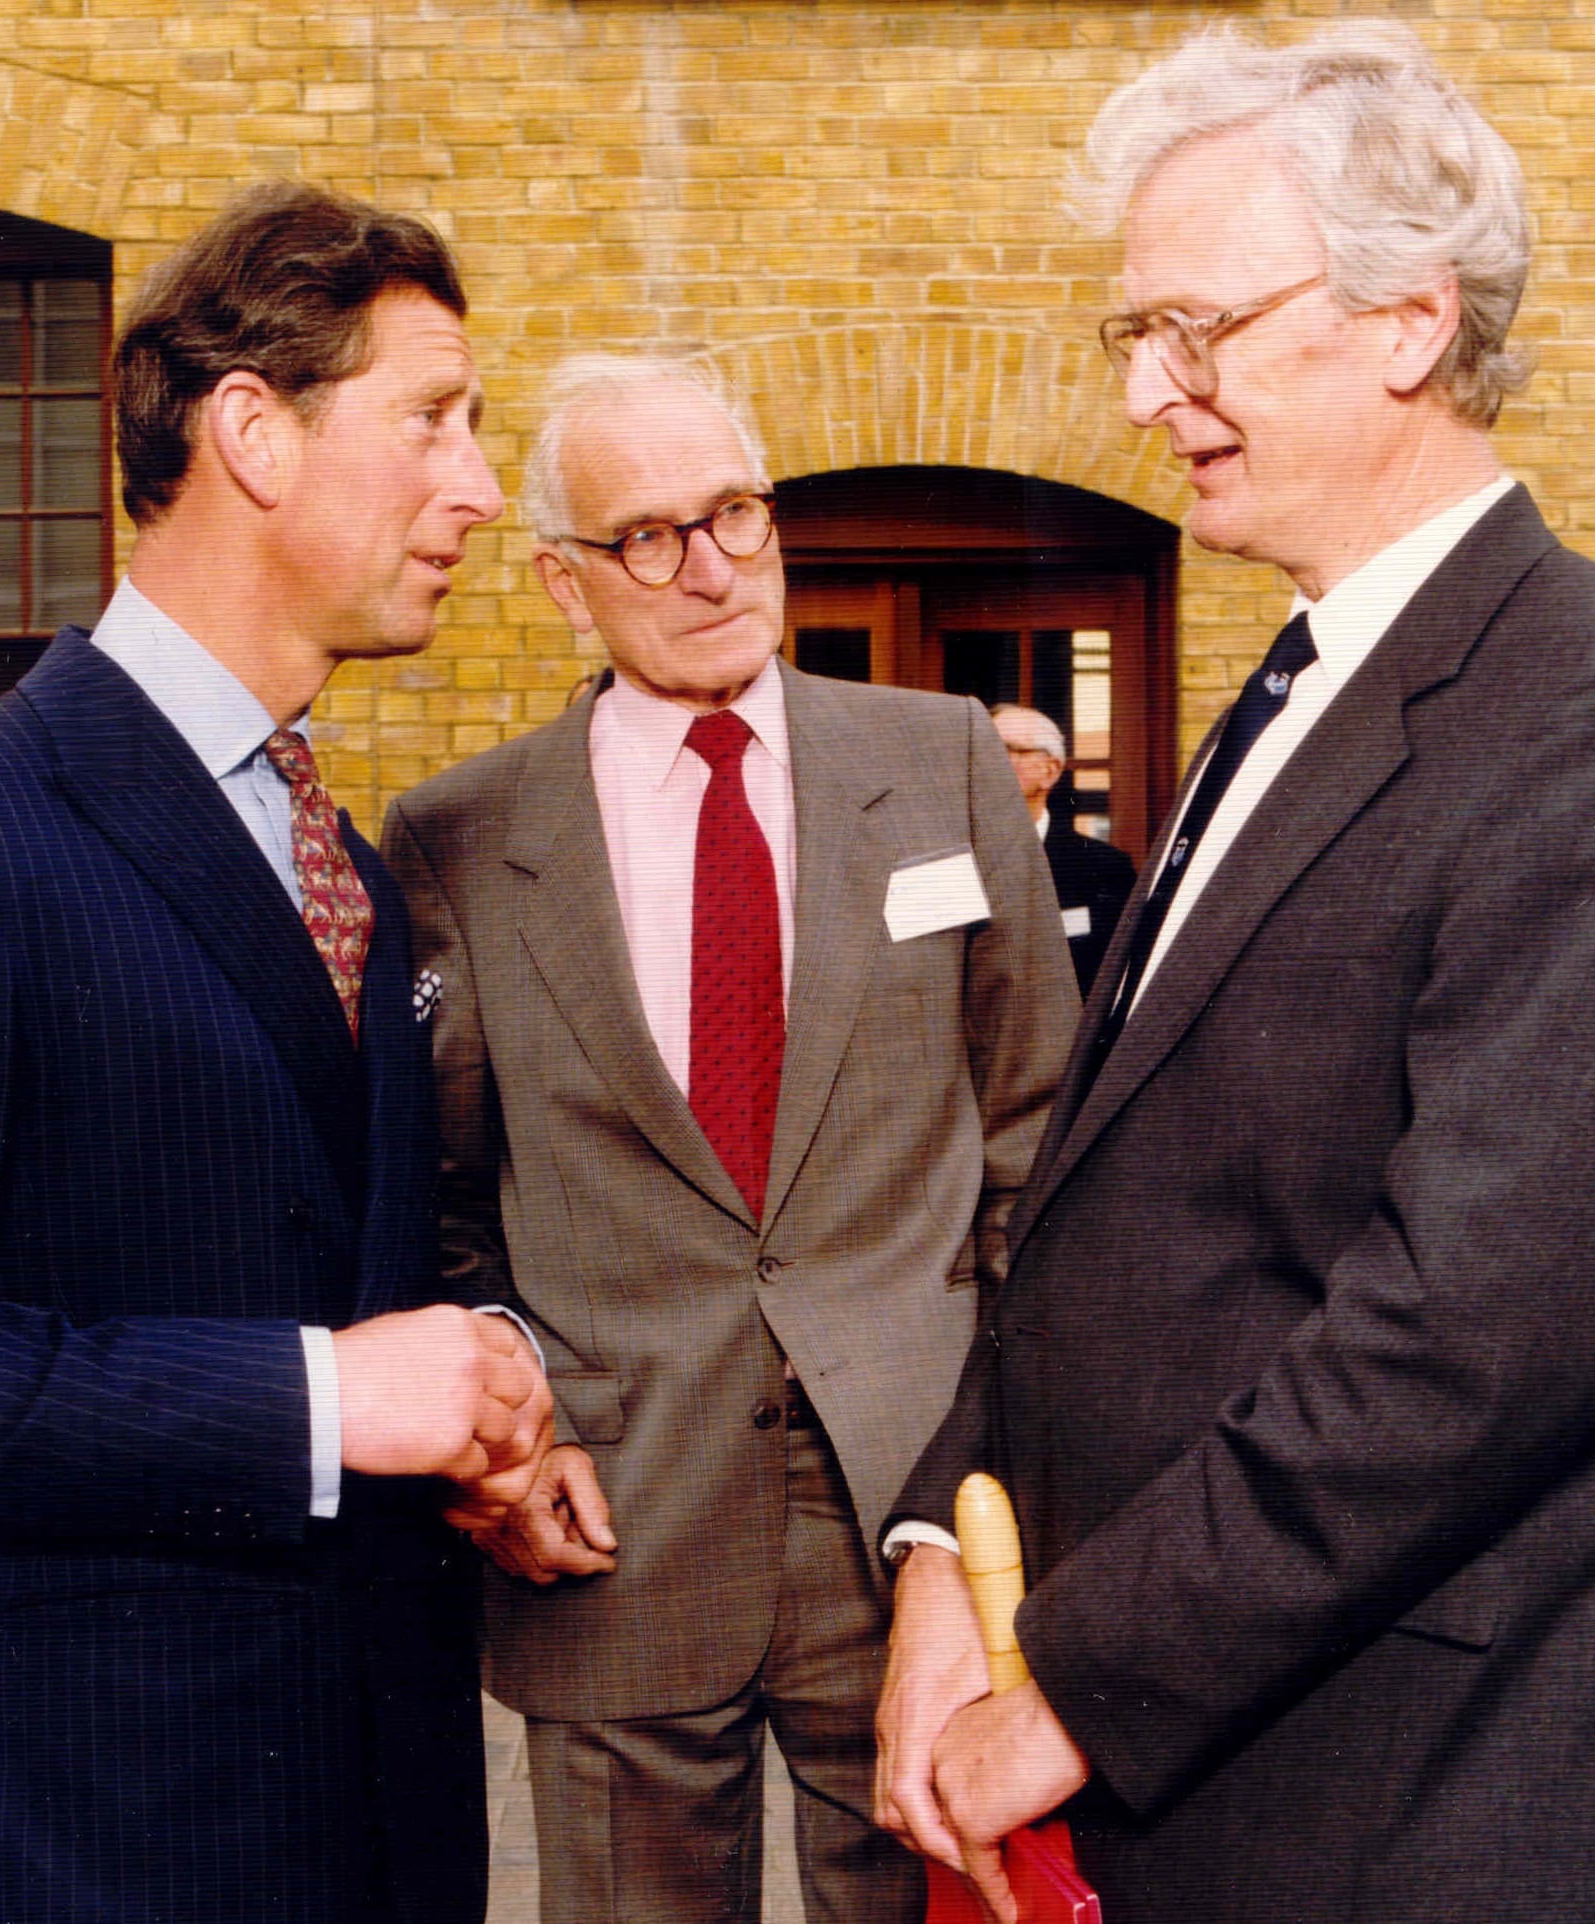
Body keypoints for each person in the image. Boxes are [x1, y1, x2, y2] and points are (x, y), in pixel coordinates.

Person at [875, 24, 1595, 1924]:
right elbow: (1106, 1221)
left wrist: (1081, 1683)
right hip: (1186, 1767)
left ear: (1403, 324)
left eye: (1190, 329)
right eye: (1137, 334)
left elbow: (1479, 1331)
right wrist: (938, 1554)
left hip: (1400, 1803)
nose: (1143, 394)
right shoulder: (1280, 695)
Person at [0, 181, 548, 1924]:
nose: (480, 486)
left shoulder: (348, 864)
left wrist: (483, 1382)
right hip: (90, 1840)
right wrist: (322, 1398)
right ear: (252, 433)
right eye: (433, 418)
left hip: (378, 1819)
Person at [381, 352, 1079, 1924]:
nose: (710, 571)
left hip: (910, 1522)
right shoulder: (465, 836)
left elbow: (1038, 1143)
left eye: (737, 516)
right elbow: (440, 1199)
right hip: (614, 1517)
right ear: (562, 582)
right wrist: (514, 1432)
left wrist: (1004, 1473)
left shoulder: (946, 764)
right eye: (648, 537)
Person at [990, 702, 1137, 996]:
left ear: (1051, 770)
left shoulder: (1104, 869)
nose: (986, 763)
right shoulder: (942, 863)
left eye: (1006, 750)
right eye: (979, 751)